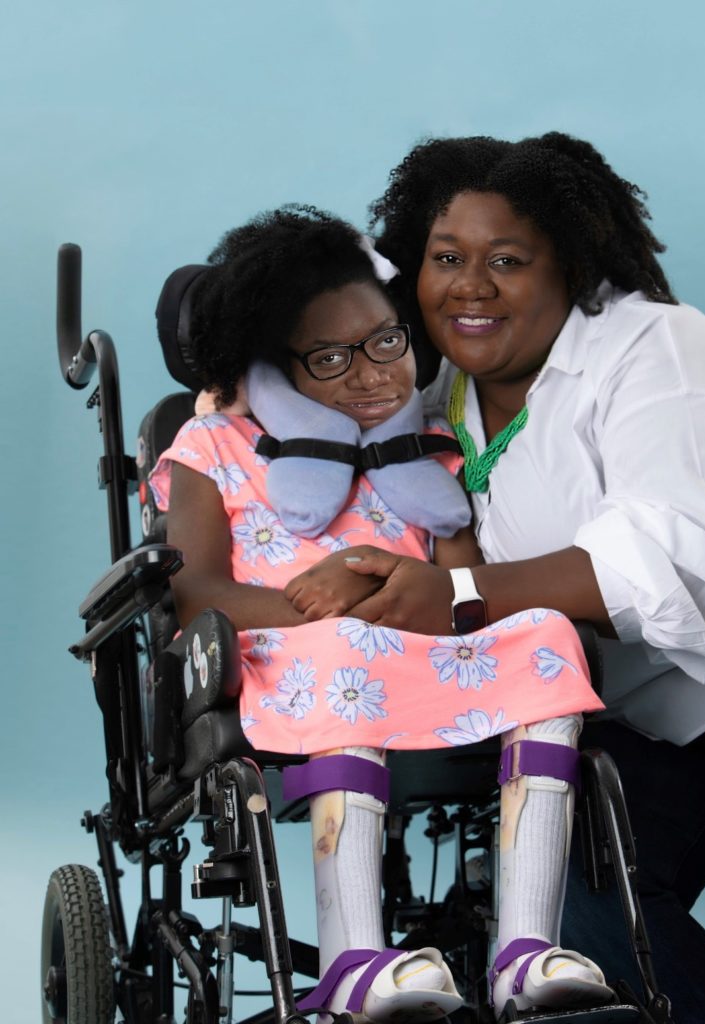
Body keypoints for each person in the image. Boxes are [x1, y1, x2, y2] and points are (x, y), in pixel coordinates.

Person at [285, 134, 705, 1023]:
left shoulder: (664, 353)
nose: (471, 286)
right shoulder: (428, 410)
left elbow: (686, 568)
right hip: (644, 729)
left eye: (507, 260)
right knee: (553, 926)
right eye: (445, 258)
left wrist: (459, 599)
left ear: (570, 265)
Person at [149, 206, 613, 1022]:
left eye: (387, 342)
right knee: (343, 649)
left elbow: (464, 583)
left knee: (542, 633)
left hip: (413, 648)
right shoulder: (212, 447)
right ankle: (352, 958)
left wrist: (409, 595)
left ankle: (524, 951)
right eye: (332, 358)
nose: (373, 376)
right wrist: (328, 610)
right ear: (269, 364)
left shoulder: (426, 445)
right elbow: (195, 596)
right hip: (282, 656)